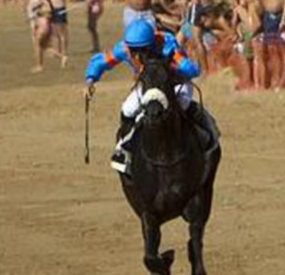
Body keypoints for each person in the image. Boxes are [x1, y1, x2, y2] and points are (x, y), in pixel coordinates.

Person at [84, 19, 206, 175]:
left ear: (151, 44)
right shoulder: (123, 48)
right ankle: (123, 148)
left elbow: (190, 69)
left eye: (142, 49)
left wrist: (174, 67)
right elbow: (100, 62)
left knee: (183, 104)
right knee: (128, 109)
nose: (136, 54)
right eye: (133, 49)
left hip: (175, 84)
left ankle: (203, 139)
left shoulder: (167, 44)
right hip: (148, 86)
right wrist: (90, 80)